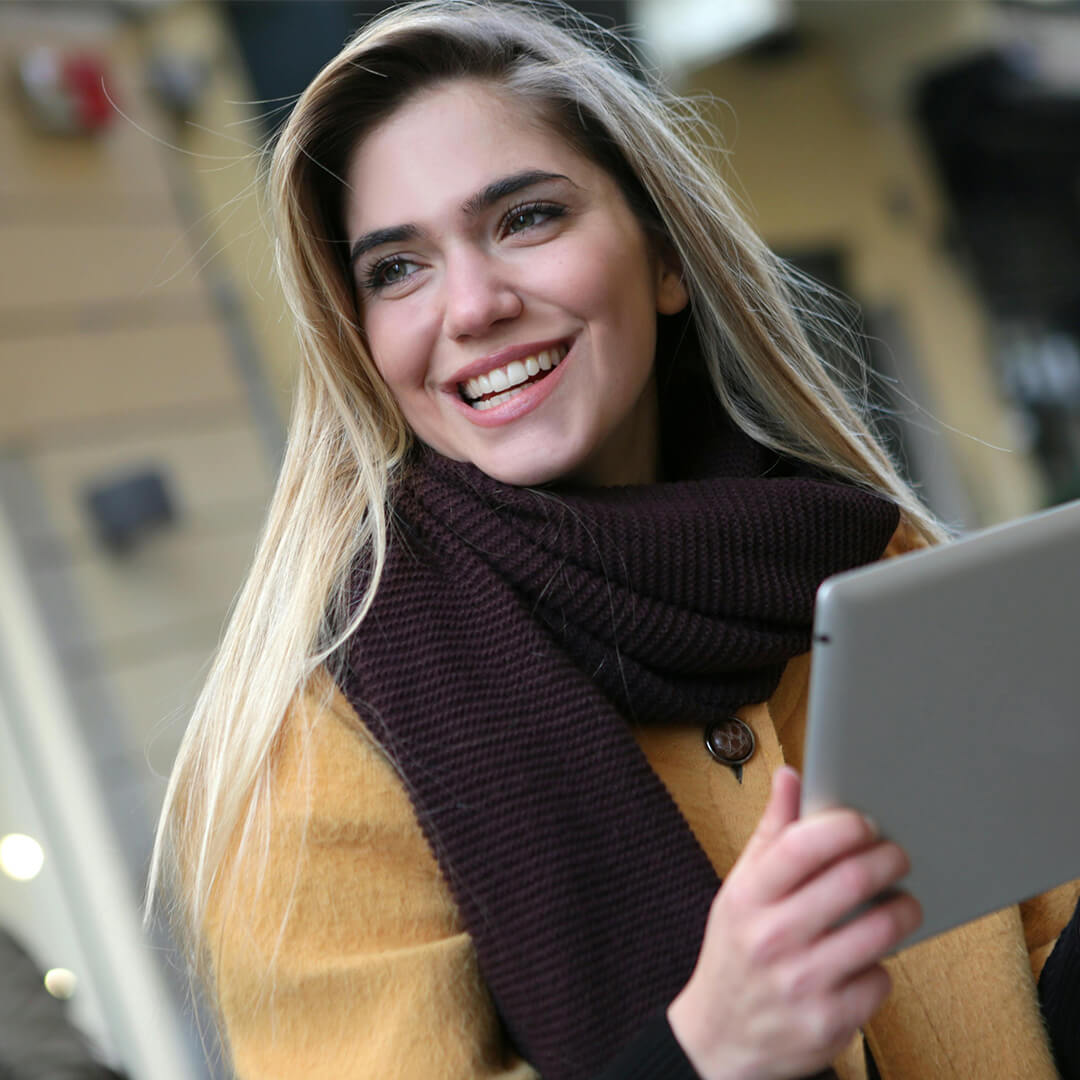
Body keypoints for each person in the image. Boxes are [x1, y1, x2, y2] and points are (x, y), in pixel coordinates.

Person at [148, 2, 1080, 1078]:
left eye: (526, 219)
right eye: (396, 269)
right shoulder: (316, 741)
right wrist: (704, 1052)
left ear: (665, 259)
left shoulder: (879, 575)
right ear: (362, 345)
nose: (475, 305)